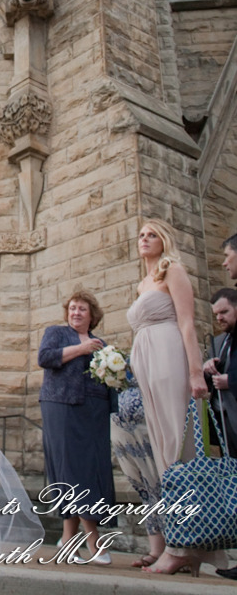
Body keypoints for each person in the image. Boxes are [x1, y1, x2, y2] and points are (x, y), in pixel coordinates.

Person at [127, 218, 220, 577]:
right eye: (141, 235)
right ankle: (182, 542)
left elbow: (187, 322)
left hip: (168, 358)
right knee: (164, 450)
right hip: (146, 365)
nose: (145, 239)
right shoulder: (143, 282)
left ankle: (183, 546)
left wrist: (196, 372)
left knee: (177, 448)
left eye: (152, 235)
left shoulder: (173, 271)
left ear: (164, 241)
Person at [37, 289, 115, 565]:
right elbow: (45, 358)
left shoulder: (100, 343)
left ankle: (68, 540)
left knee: (91, 469)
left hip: (94, 411)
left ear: (92, 315)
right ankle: (93, 539)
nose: (76, 313)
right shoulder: (56, 333)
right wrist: (81, 350)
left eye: (82, 309)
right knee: (71, 468)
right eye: (72, 308)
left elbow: (109, 376)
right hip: (61, 405)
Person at [110, 377, 165, 567]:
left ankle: (174, 549)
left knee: (160, 485)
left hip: (152, 422)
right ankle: (156, 549)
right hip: (124, 431)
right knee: (144, 488)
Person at [204, 288, 237, 456]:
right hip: (223, 421)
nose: (219, 318)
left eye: (224, 312)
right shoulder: (218, 341)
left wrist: (230, 380)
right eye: (216, 314)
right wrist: (207, 368)